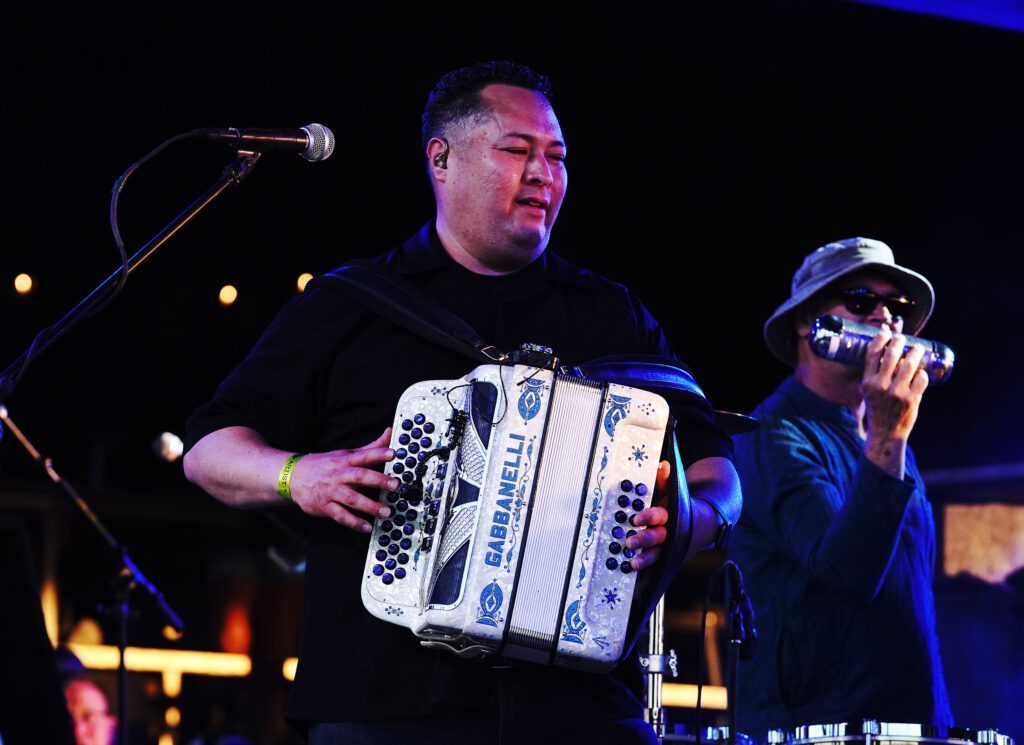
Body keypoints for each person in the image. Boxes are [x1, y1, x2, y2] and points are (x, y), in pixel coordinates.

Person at [183, 60, 740, 744]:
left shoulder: (614, 316)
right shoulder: (352, 305)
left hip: (580, 701)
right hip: (387, 703)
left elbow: (717, 468)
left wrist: (688, 520)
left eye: (557, 157)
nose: (544, 174)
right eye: (517, 150)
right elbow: (207, 451)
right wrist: (300, 475)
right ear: (440, 160)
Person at [728, 237, 953, 736]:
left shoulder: (883, 437)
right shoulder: (774, 434)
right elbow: (847, 572)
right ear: (805, 321)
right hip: (821, 728)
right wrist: (889, 436)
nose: (885, 318)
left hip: (913, 725)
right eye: (860, 300)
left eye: (897, 307)